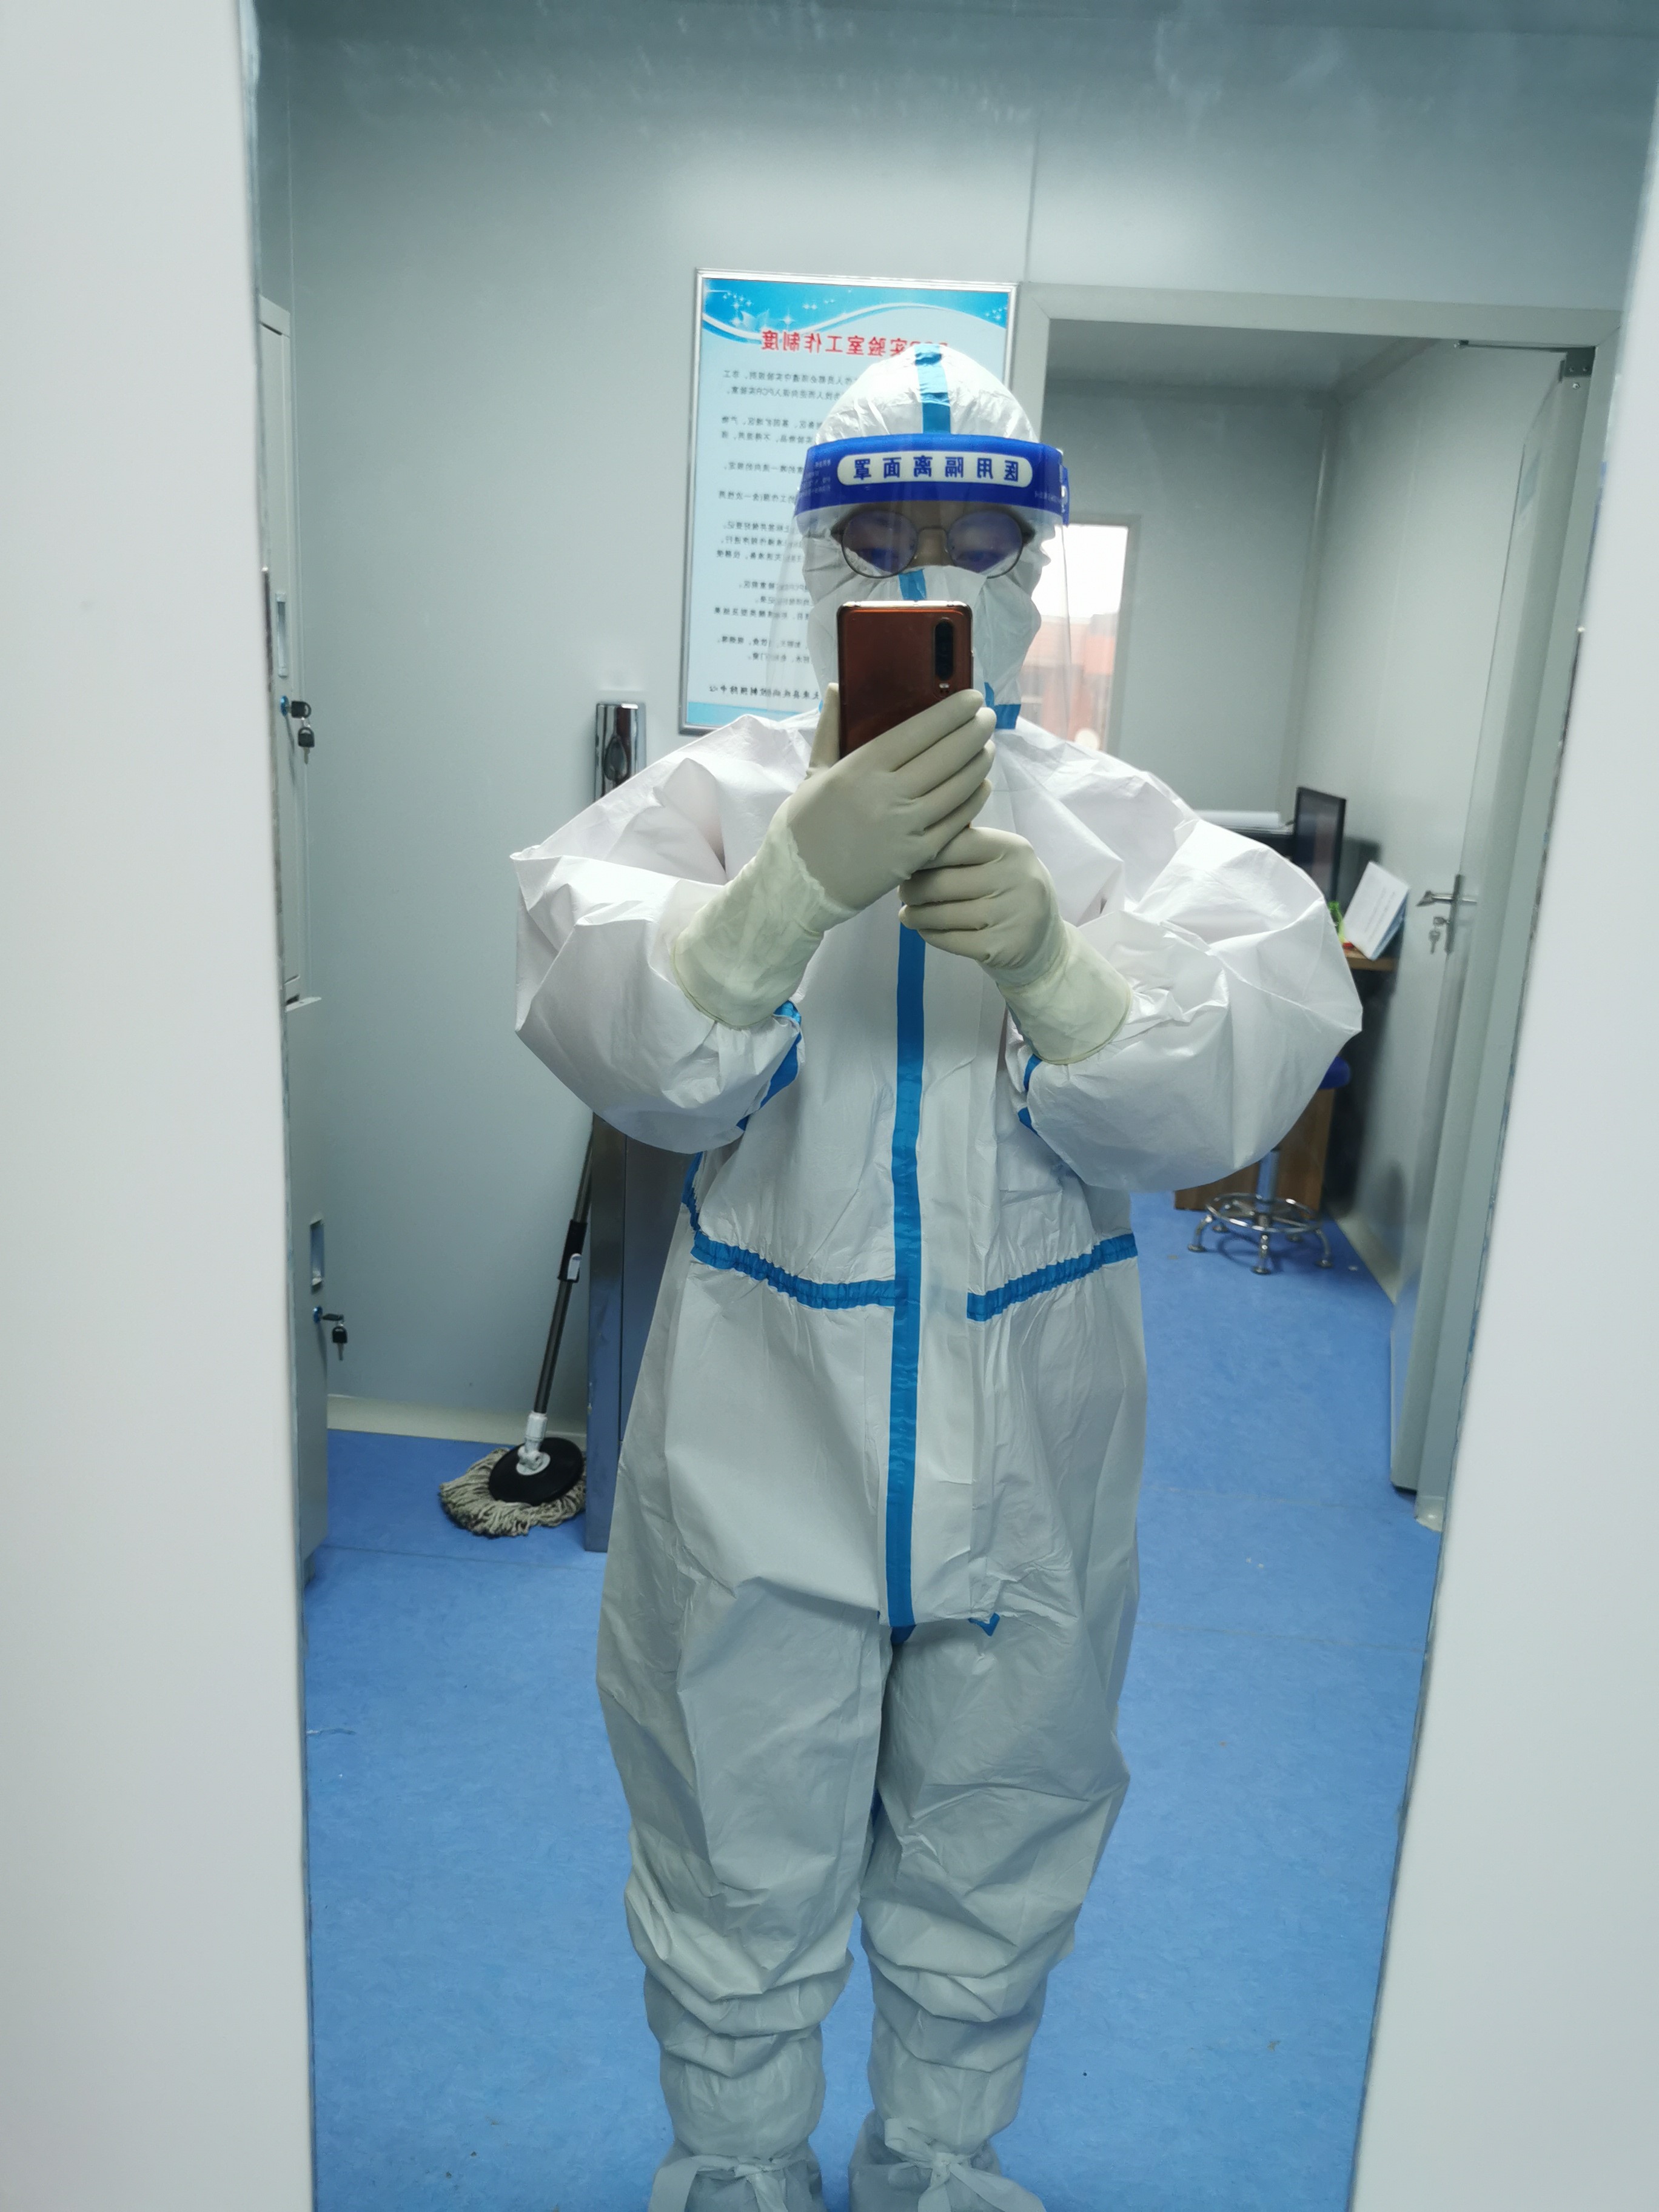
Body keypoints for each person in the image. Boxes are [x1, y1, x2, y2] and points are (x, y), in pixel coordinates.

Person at [513, 344, 1360, 2211]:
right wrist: (777, 897)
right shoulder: (721, 799)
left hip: (1034, 1438)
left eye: (971, 532)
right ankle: (738, 2175)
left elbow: (1246, 1057)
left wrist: (1067, 973)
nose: (925, 567)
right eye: (881, 531)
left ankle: (939, 2170)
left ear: (1032, 561)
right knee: (732, 1843)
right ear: (816, 556)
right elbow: (614, 1034)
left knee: (1001, 1842)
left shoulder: (1115, 826)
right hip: (758, 1431)